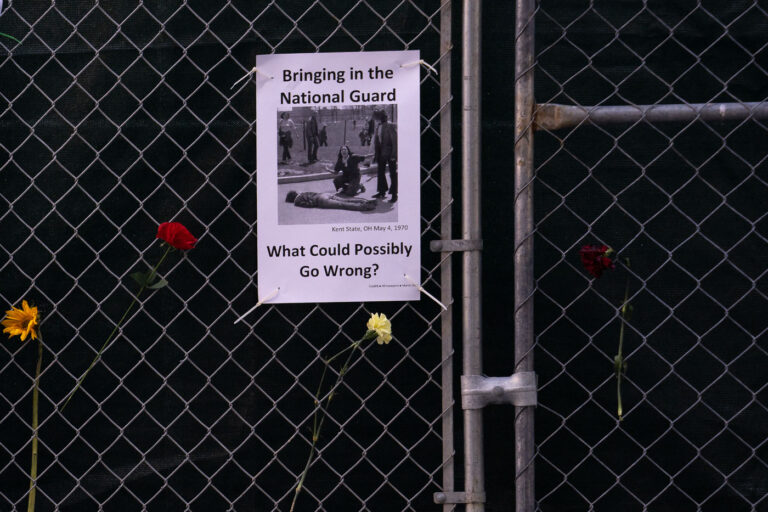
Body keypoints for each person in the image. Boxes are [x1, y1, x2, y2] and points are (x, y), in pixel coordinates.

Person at [372, 109, 398, 203]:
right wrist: (376, 154)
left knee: (392, 174)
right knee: (380, 173)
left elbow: (395, 141)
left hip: (390, 154)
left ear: (381, 117)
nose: (375, 119)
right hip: (381, 154)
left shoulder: (390, 125)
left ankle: (395, 194)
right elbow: (377, 142)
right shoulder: (378, 126)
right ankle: (382, 191)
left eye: (376, 117)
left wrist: (394, 155)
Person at [285, 190, 376, 211]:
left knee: (342, 205)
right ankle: (365, 201)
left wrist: (314, 204)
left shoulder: (297, 201)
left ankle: (364, 206)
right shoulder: (302, 193)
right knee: (347, 200)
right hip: (324, 194)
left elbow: (308, 204)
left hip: (321, 200)